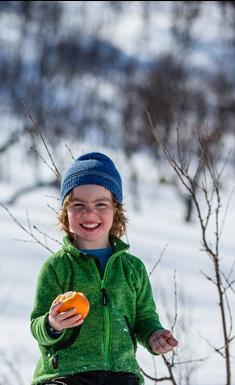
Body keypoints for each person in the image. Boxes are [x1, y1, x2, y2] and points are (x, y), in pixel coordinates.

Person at [29, 152, 178, 385]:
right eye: (78, 205)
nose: (89, 213)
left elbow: (145, 319)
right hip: (67, 374)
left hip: (122, 374)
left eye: (101, 204)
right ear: (65, 212)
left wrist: (154, 336)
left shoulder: (132, 269)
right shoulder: (57, 268)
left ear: (116, 210)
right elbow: (36, 326)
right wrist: (52, 323)